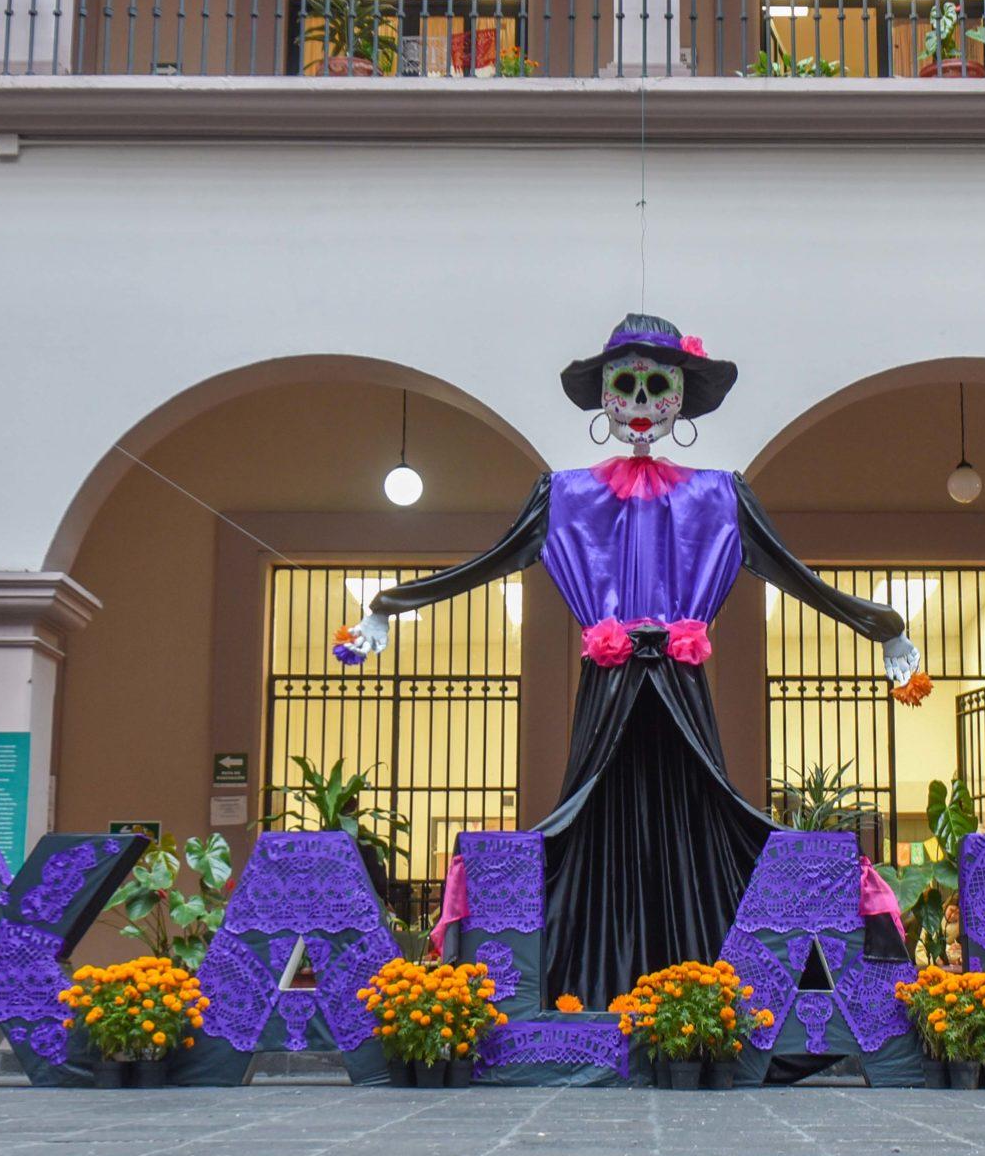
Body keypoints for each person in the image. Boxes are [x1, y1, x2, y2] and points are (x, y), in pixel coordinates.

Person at [336, 315, 922, 1004]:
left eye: (656, 385)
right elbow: (483, 564)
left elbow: (799, 576)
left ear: (679, 397)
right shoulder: (563, 496)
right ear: (604, 398)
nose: (641, 403)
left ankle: (724, 986)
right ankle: (570, 990)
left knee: (706, 819)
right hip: (607, 692)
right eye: (626, 384)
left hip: (681, 685)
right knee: (588, 826)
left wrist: (883, 627)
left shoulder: (721, 496)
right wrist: (388, 603)